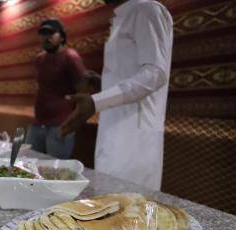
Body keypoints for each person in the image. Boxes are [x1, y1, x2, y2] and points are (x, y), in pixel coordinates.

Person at [60, 0, 173, 191]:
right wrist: (104, 84)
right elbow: (131, 75)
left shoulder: (146, 9)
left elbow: (156, 73)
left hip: (134, 139)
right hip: (113, 133)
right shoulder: (124, 15)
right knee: (108, 203)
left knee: (130, 208)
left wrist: (96, 102)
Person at [26, 18, 86, 159]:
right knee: (27, 163)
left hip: (60, 125)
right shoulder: (39, 60)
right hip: (38, 123)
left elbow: (83, 94)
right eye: (43, 34)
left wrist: (70, 125)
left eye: (51, 33)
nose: (46, 37)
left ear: (62, 36)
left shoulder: (71, 57)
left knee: (54, 170)